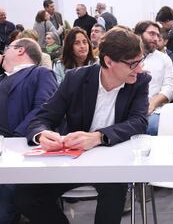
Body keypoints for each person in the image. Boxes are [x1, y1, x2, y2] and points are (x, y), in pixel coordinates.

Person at [14, 27, 150, 224]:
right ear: (109, 61)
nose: (140, 68)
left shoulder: (140, 80)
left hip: (113, 162)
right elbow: (42, 118)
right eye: (133, 64)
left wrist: (98, 137)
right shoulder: (76, 78)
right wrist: (41, 134)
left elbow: (139, 122)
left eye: (141, 61)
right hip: (74, 160)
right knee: (26, 195)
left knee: (115, 190)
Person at [0, 38, 57, 224]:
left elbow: (43, 109)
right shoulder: (3, 78)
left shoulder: (40, 73)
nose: (3, 52)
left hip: (16, 147)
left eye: (6, 48)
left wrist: (14, 138)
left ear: (20, 50)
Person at [134, 21, 173, 135]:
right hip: (130, 108)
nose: (156, 38)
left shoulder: (164, 59)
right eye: (152, 34)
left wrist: (152, 104)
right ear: (138, 34)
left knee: (151, 128)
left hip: (154, 109)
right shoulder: (127, 56)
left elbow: (170, 88)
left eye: (158, 35)